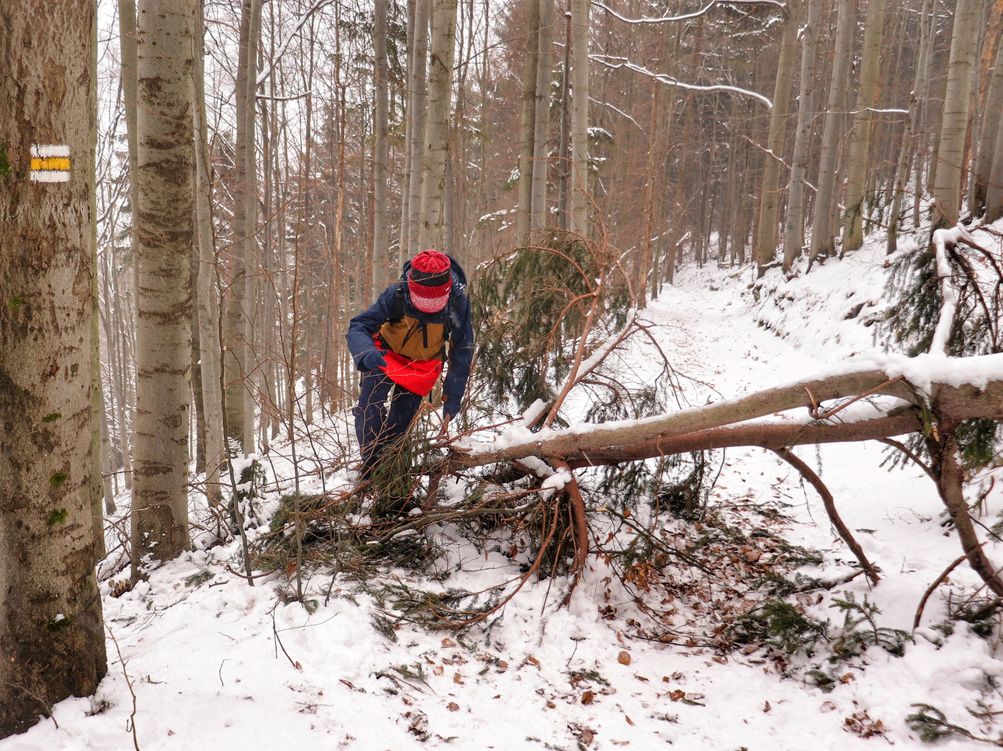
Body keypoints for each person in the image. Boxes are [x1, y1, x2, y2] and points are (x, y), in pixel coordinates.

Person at [346, 250, 474, 478]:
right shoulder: (397, 293)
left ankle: (389, 469)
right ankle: (370, 465)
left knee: (400, 421)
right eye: (421, 302)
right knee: (368, 410)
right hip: (385, 355)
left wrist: (452, 397)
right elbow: (359, 326)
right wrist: (366, 352)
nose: (426, 309)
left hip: (422, 365)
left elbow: (462, 349)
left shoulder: (457, 302)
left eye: (432, 304)